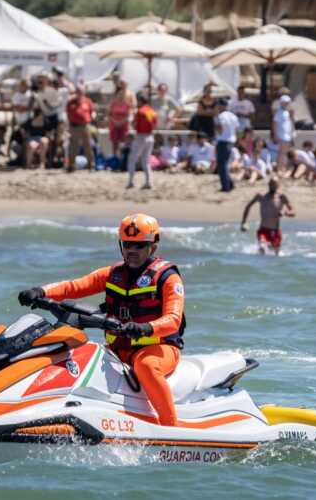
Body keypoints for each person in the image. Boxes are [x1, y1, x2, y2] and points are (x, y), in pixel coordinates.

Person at [18, 214, 186, 427]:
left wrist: (145, 328)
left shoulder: (168, 277)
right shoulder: (112, 274)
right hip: (117, 349)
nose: (132, 250)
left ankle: (170, 427)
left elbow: (173, 321)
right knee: (78, 355)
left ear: (152, 247)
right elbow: (75, 286)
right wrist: (41, 291)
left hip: (158, 348)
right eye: (127, 245)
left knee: (147, 365)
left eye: (139, 245)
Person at [240, 178, 295, 256]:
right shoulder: (261, 196)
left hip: (276, 232)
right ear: (268, 185)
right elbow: (248, 207)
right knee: (262, 248)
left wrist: (285, 212)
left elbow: (293, 212)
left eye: (274, 184)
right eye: (271, 184)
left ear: (278, 185)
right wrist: (243, 222)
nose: (273, 186)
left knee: (275, 256)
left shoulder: (282, 197)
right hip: (263, 230)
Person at [127, 92, 157, 190]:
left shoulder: (140, 111)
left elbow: (135, 124)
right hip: (150, 136)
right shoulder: (152, 111)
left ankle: (131, 182)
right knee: (146, 161)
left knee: (132, 159)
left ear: (140, 101)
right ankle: (149, 182)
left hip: (141, 136)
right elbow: (154, 124)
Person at [66, 84, 95, 172]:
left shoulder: (88, 101)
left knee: (88, 146)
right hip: (74, 126)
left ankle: (91, 165)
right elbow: (68, 113)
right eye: (78, 91)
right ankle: (71, 165)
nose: (79, 93)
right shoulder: (71, 102)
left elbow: (92, 112)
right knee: (73, 147)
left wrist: (91, 119)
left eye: (81, 91)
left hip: (85, 126)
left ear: (83, 92)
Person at [214, 97, 239, 192]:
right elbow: (237, 129)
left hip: (223, 141)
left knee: (221, 164)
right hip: (231, 141)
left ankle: (226, 186)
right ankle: (230, 183)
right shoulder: (233, 116)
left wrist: (216, 126)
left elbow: (220, 130)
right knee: (224, 163)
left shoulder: (221, 116)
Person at [108, 79, 135, 157]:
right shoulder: (113, 103)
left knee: (123, 142)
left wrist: (122, 122)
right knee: (114, 143)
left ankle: (122, 158)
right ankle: (114, 158)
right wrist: (115, 121)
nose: (120, 95)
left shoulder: (127, 104)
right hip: (114, 125)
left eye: (122, 94)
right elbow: (109, 114)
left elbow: (129, 114)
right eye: (119, 94)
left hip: (124, 125)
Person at [271, 94, 295, 173]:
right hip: (281, 136)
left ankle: (282, 168)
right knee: (281, 153)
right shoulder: (279, 112)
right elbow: (274, 123)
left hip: (286, 135)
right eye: (285, 102)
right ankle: (279, 168)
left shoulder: (286, 112)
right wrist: (276, 135)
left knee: (284, 153)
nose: (287, 104)